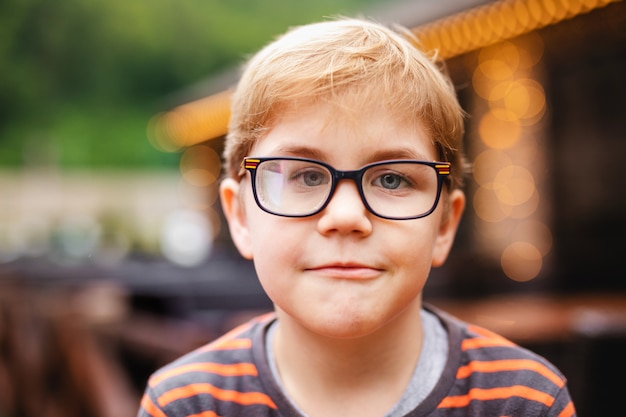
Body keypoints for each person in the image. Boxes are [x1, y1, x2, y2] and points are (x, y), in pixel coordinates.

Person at [137, 17, 577, 417]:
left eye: (390, 180)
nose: (346, 216)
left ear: (444, 224)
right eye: (305, 175)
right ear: (239, 217)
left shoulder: (524, 402)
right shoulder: (185, 405)